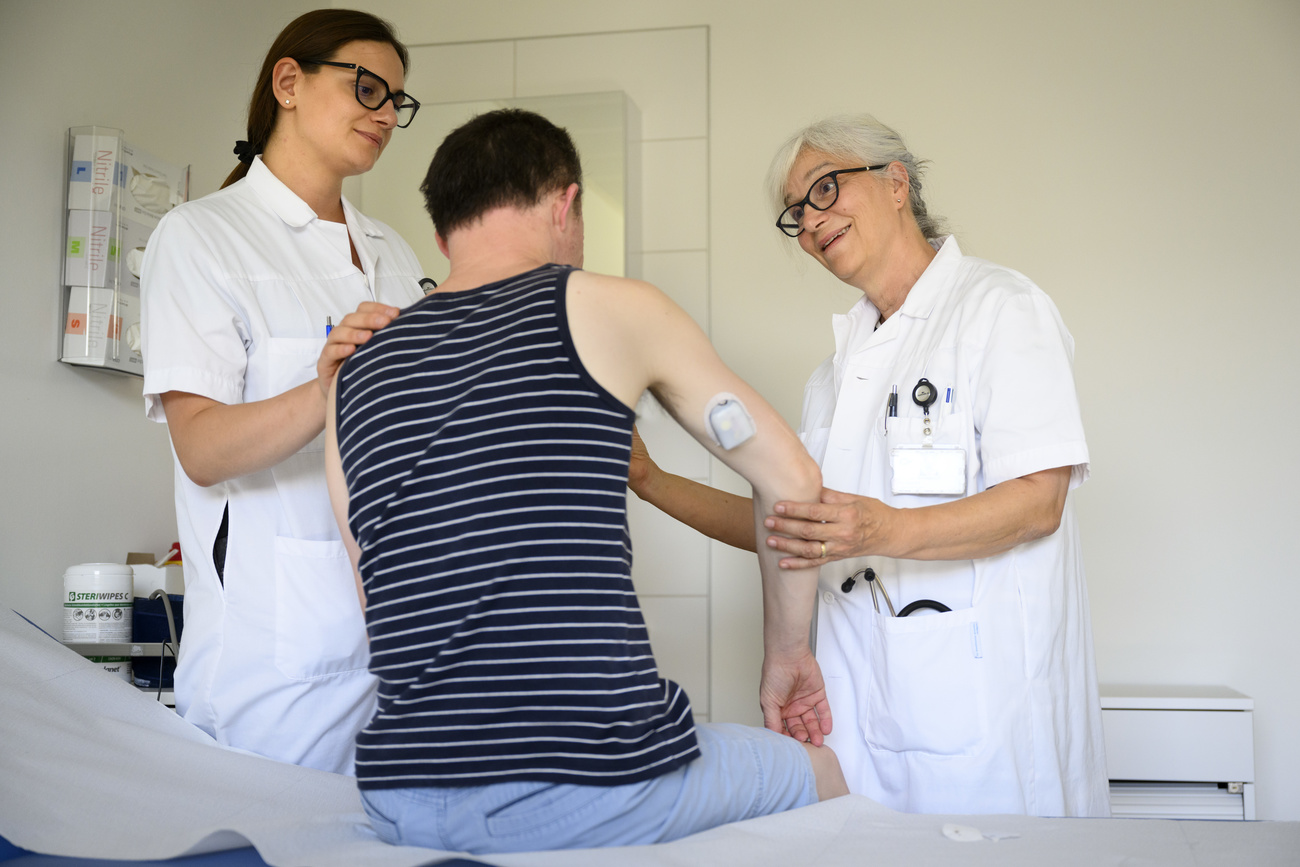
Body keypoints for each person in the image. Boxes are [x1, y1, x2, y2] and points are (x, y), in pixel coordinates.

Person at [323, 109, 847, 854]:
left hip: (397, 793)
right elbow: (792, 480)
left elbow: (374, 589)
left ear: (443, 236)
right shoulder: (608, 305)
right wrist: (790, 656)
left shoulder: (355, 376)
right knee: (822, 771)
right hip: (587, 786)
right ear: (566, 204)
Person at [628, 114, 1110, 817]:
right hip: (864, 712)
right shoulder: (835, 374)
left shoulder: (999, 309)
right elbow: (794, 526)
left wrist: (881, 528)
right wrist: (651, 481)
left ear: (895, 182)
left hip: (987, 722)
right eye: (796, 212)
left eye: (825, 188)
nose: (811, 220)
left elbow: (1039, 502)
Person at [140, 9, 426, 775]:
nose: (384, 114)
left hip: (400, 638)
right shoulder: (200, 237)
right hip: (275, 665)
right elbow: (202, 449)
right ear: (289, 82)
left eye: (395, 101)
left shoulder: (395, 253)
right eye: (367, 87)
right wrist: (324, 390)